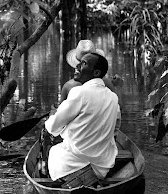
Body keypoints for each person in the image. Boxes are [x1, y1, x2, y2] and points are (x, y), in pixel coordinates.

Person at [44, 51, 121, 181]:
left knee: (54, 151)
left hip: (71, 166)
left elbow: (52, 127)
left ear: (96, 73)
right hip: (101, 168)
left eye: (83, 64)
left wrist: (52, 116)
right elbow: (116, 128)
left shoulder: (78, 92)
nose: (77, 66)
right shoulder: (113, 97)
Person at [60, 40, 121, 104]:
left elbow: (60, 110)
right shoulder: (106, 82)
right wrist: (117, 86)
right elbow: (118, 106)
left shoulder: (69, 86)